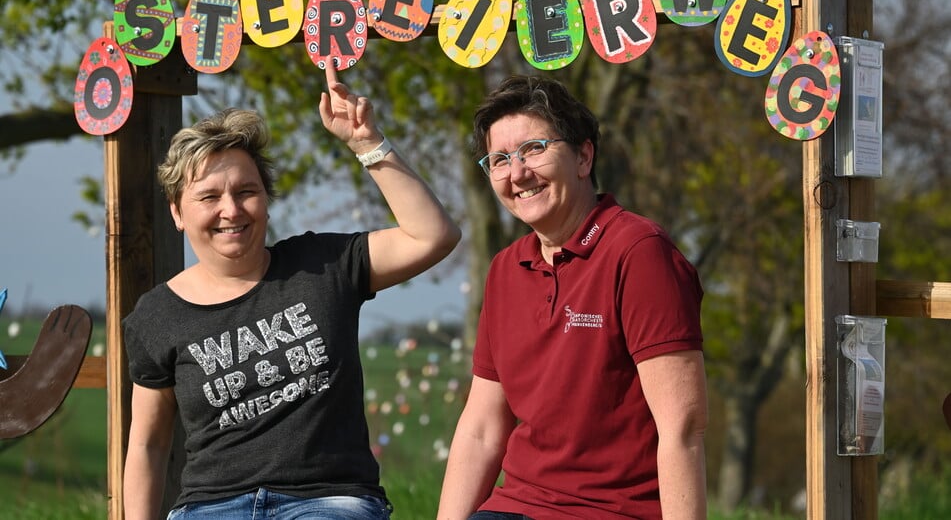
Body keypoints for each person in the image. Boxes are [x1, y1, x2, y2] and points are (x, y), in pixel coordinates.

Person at [122, 62, 461, 520]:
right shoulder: (156, 314)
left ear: (266, 199)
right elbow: (147, 444)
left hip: (330, 502)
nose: (231, 210)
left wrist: (367, 143)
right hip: (212, 507)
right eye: (209, 196)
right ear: (177, 212)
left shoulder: (324, 265)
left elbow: (433, 236)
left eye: (246, 191)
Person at [437, 75, 707, 520]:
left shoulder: (639, 252)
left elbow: (683, 427)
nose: (517, 173)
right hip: (515, 508)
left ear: (583, 157)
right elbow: (482, 429)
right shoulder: (505, 269)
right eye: (500, 159)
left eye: (534, 149)